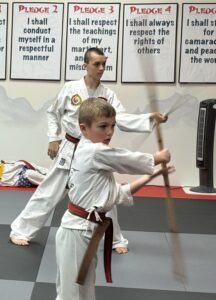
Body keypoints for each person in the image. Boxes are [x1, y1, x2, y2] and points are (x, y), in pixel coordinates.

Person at [10, 47, 167, 252]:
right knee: (48, 192)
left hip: (96, 150)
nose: (101, 68)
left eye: (104, 64)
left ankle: (115, 239)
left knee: (106, 193)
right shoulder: (70, 88)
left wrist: (149, 118)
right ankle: (21, 230)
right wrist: (53, 138)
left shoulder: (108, 94)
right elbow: (52, 113)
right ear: (85, 66)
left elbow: (121, 118)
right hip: (70, 147)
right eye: (97, 64)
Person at [55, 98, 174, 300]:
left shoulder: (89, 151)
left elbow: (117, 194)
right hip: (76, 232)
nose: (109, 132)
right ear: (83, 128)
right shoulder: (94, 151)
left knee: (82, 292)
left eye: (112, 126)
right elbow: (123, 158)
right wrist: (155, 158)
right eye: (103, 126)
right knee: (71, 295)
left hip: (85, 232)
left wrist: (150, 175)